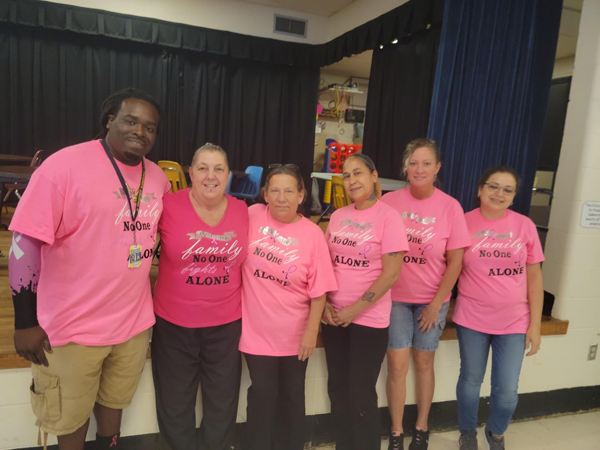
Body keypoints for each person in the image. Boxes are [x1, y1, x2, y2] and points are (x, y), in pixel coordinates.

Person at [8, 88, 171, 450]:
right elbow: (24, 244)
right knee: (70, 417)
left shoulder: (158, 178)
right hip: (71, 327)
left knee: (114, 405)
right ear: (109, 121)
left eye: (150, 127)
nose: (140, 131)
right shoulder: (63, 166)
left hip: (132, 324)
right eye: (131, 121)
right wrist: (24, 320)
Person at [151, 143, 248, 450]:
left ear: (228, 175)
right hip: (173, 324)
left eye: (218, 169)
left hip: (226, 325)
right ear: (190, 173)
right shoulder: (167, 206)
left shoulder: (243, 211)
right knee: (174, 402)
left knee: (222, 403)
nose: (211, 176)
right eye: (203, 168)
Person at [239, 164, 337, 450]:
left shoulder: (312, 234)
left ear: (301, 195)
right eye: (275, 191)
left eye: (289, 191)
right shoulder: (251, 215)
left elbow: (319, 292)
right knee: (262, 396)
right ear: (265, 194)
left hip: (295, 336)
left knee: (293, 398)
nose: (282, 198)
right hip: (255, 333)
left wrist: (311, 332)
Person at [381, 138, 470, 450]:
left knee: (423, 364)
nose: (419, 169)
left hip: (433, 300)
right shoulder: (390, 202)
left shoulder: (450, 207)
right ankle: (395, 431)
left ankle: (421, 428)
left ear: (437, 168)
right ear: (406, 167)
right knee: (397, 365)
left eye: (426, 163)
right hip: (394, 299)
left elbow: (456, 261)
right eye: (414, 163)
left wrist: (435, 305)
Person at [453, 166, 544, 450]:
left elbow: (535, 278)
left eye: (507, 190)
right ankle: (467, 432)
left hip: (515, 322)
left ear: (514, 196)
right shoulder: (462, 223)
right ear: (479, 189)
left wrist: (536, 325)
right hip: (471, 318)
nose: (499, 194)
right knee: (470, 380)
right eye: (493, 186)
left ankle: (496, 432)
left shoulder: (524, 226)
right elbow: (448, 269)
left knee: (506, 392)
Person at [322, 153, 408, 450]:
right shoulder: (337, 216)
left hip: (368, 321)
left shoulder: (389, 217)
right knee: (337, 389)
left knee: (360, 393)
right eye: (346, 176)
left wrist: (354, 309)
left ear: (374, 176)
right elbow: (323, 265)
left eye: (357, 173)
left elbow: (392, 273)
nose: (352, 180)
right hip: (334, 318)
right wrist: (324, 307)